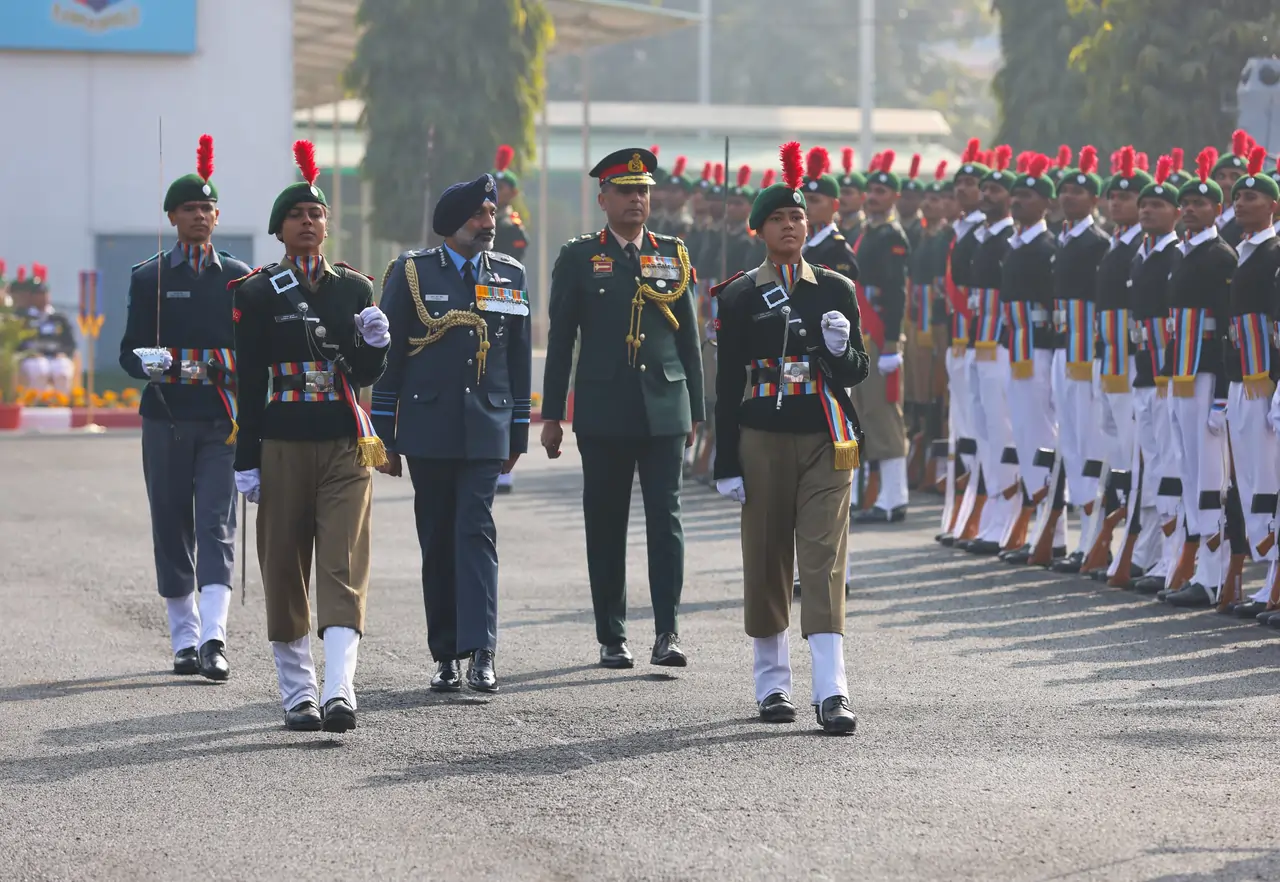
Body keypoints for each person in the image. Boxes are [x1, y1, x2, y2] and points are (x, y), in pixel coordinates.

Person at [231, 140, 389, 732]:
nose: (308, 221)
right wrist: (247, 458)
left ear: (327, 225)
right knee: (283, 566)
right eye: (297, 215)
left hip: (345, 443)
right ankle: (298, 690)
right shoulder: (253, 293)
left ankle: (340, 689)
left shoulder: (354, 290)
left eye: (316, 214)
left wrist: (377, 345)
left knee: (343, 563)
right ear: (279, 229)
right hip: (282, 443)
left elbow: (366, 377)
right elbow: (250, 384)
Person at [713, 141, 869, 734]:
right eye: (778, 219)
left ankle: (832, 690)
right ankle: (772, 685)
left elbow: (856, 370)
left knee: (825, 560)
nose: (790, 226)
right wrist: (726, 459)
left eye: (797, 217)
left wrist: (838, 348)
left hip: (826, 437)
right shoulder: (739, 295)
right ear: (759, 230)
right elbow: (727, 387)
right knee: (767, 556)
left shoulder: (836, 289)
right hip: (763, 438)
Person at [540, 147, 704, 670]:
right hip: (604, 406)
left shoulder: (672, 253)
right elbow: (561, 339)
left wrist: (697, 410)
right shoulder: (579, 257)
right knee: (606, 522)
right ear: (603, 198)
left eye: (644, 190)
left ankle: (667, 631)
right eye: (627, 190)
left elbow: (691, 342)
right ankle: (612, 634)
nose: (638, 199)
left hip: (664, 405)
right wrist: (551, 415)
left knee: (666, 520)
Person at [371, 175, 531, 694]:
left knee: (475, 530)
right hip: (428, 426)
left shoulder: (509, 274)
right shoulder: (412, 273)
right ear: (452, 224)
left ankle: (482, 650)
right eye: (479, 216)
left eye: (491, 215)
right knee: (437, 536)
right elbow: (390, 357)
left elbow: (518, 356)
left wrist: (519, 428)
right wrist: (384, 434)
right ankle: (445, 654)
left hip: (487, 425)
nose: (489, 224)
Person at [117, 134, 249, 680]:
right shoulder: (150, 276)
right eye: (189, 208)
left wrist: (197, 362)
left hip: (220, 419)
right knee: (170, 525)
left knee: (216, 523)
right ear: (172, 216)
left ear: (217, 216)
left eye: (207, 207)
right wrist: (152, 362)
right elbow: (128, 355)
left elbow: (251, 353)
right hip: (167, 419)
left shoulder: (240, 277)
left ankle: (214, 638)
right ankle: (183, 637)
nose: (200, 215)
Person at [1155, 154, 1236, 608]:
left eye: (1199, 204)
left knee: (1209, 476)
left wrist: (1222, 395)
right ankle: (1200, 568)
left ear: (1215, 209)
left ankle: (1215, 573)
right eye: (1184, 203)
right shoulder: (1182, 253)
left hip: (1206, 376)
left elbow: (1226, 330)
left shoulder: (1220, 255)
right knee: (1187, 471)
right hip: (1180, 376)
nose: (1189, 209)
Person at [1218, 147, 1280, 619]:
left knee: (1271, 482)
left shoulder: (1275, 252)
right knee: (1251, 483)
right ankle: (1267, 577)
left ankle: (1275, 579)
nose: (1240, 201)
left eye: (1252, 195)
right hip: (1241, 379)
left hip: (1266, 380)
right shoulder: (1242, 252)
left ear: (1273, 207)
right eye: (1238, 195)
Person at [997, 154, 1066, 562]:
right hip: (1016, 348)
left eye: (1027, 196)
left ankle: (1051, 531)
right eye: (1015, 195)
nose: (1017, 202)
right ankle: (1037, 524)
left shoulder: (1046, 247)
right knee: (1023, 436)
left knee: (1041, 437)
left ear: (1046, 203)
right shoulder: (1018, 244)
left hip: (1040, 349)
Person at [1048, 147, 1110, 573]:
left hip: (1086, 353)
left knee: (1088, 445)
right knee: (1069, 441)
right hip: (1062, 348)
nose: (1069, 196)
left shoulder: (1096, 242)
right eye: (1064, 190)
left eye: (1078, 190)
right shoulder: (1064, 237)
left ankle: (1095, 535)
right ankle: (1080, 535)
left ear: (1095, 199)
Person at [1127, 160, 1187, 596]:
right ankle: (1150, 552)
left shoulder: (1176, 254)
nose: (1147, 210)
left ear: (1176, 212)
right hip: (1143, 372)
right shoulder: (1141, 253)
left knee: (1170, 468)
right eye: (1143, 204)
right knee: (1150, 465)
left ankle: (1174, 559)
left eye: (1158, 204)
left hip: (1168, 375)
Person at [963, 146, 1021, 555]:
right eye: (985, 189)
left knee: (1004, 432)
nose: (986, 195)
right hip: (977, 341)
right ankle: (993, 514)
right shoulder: (980, 234)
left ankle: (1011, 516)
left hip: (1001, 343)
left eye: (995, 189)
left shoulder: (1010, 238)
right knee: (982, 430)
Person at [848, 151, 911, 524]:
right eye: (870, 190)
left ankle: (895, 496)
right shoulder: (868, 233)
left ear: (894, 198)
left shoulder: (892, 236)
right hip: (865, 335)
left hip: (881, 336)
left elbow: (895, 293)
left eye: (881, 191)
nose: (873, 196)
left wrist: (890, 343)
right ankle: (881, 496)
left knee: (885, 414)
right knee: (867, 412)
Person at [938, 140, 990, 544]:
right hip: (957, 340)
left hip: (982, 343)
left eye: (972, 183)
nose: (964, 190)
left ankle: (984, 509)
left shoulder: (983, 236)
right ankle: (963, 508)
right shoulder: (956, 232)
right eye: (961, 183)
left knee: (985, 429)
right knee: (963, 429)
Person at [491, 145, 528, 496]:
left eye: (503, 189)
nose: (499, 193)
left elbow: (518, 250)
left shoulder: (510, 223)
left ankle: (505, 459)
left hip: (503, 294)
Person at [12, 264, 77, 395]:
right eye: (38, 294)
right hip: (32, 358)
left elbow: (70, 343)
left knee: (62, 370)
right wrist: (29, 352)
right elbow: (18, 342)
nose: (42, 297)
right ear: (31, 297)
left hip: (56, 356)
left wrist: (63, 352)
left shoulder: (59, 318)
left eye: (44, 293)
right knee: (39, 369)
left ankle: (61, 402)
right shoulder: (23, 317)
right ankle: (36, 403)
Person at [1212, 130, 1252, 247]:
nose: (1227, 182)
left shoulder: (1249, 223)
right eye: (1221, 176)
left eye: (1235, 177)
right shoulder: (1204, 217)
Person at [836, 147, 867, 243]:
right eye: (839, 193)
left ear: (862, 197)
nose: (841, 197)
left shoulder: (867, 229)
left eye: (847, 193)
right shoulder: (833, 227)